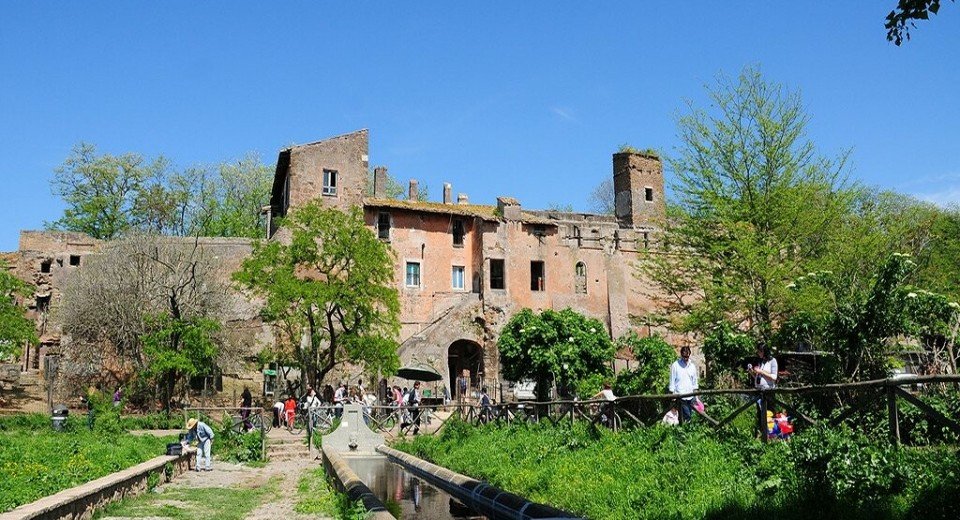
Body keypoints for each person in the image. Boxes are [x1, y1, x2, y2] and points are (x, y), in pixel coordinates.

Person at [669, 346, 699, 422]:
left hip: (690, 396)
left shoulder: (692, 366)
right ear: (681, 355)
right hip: (680, 395)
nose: (686, 358)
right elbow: (672, 381)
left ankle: (686, 431)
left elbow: (694, 382)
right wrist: (672, 396)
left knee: (690, 415)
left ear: (689, 355)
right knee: (687, 415)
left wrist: (696, 397)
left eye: (687, 356)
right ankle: (686, 431)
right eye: (684, 356)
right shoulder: (675, 365)